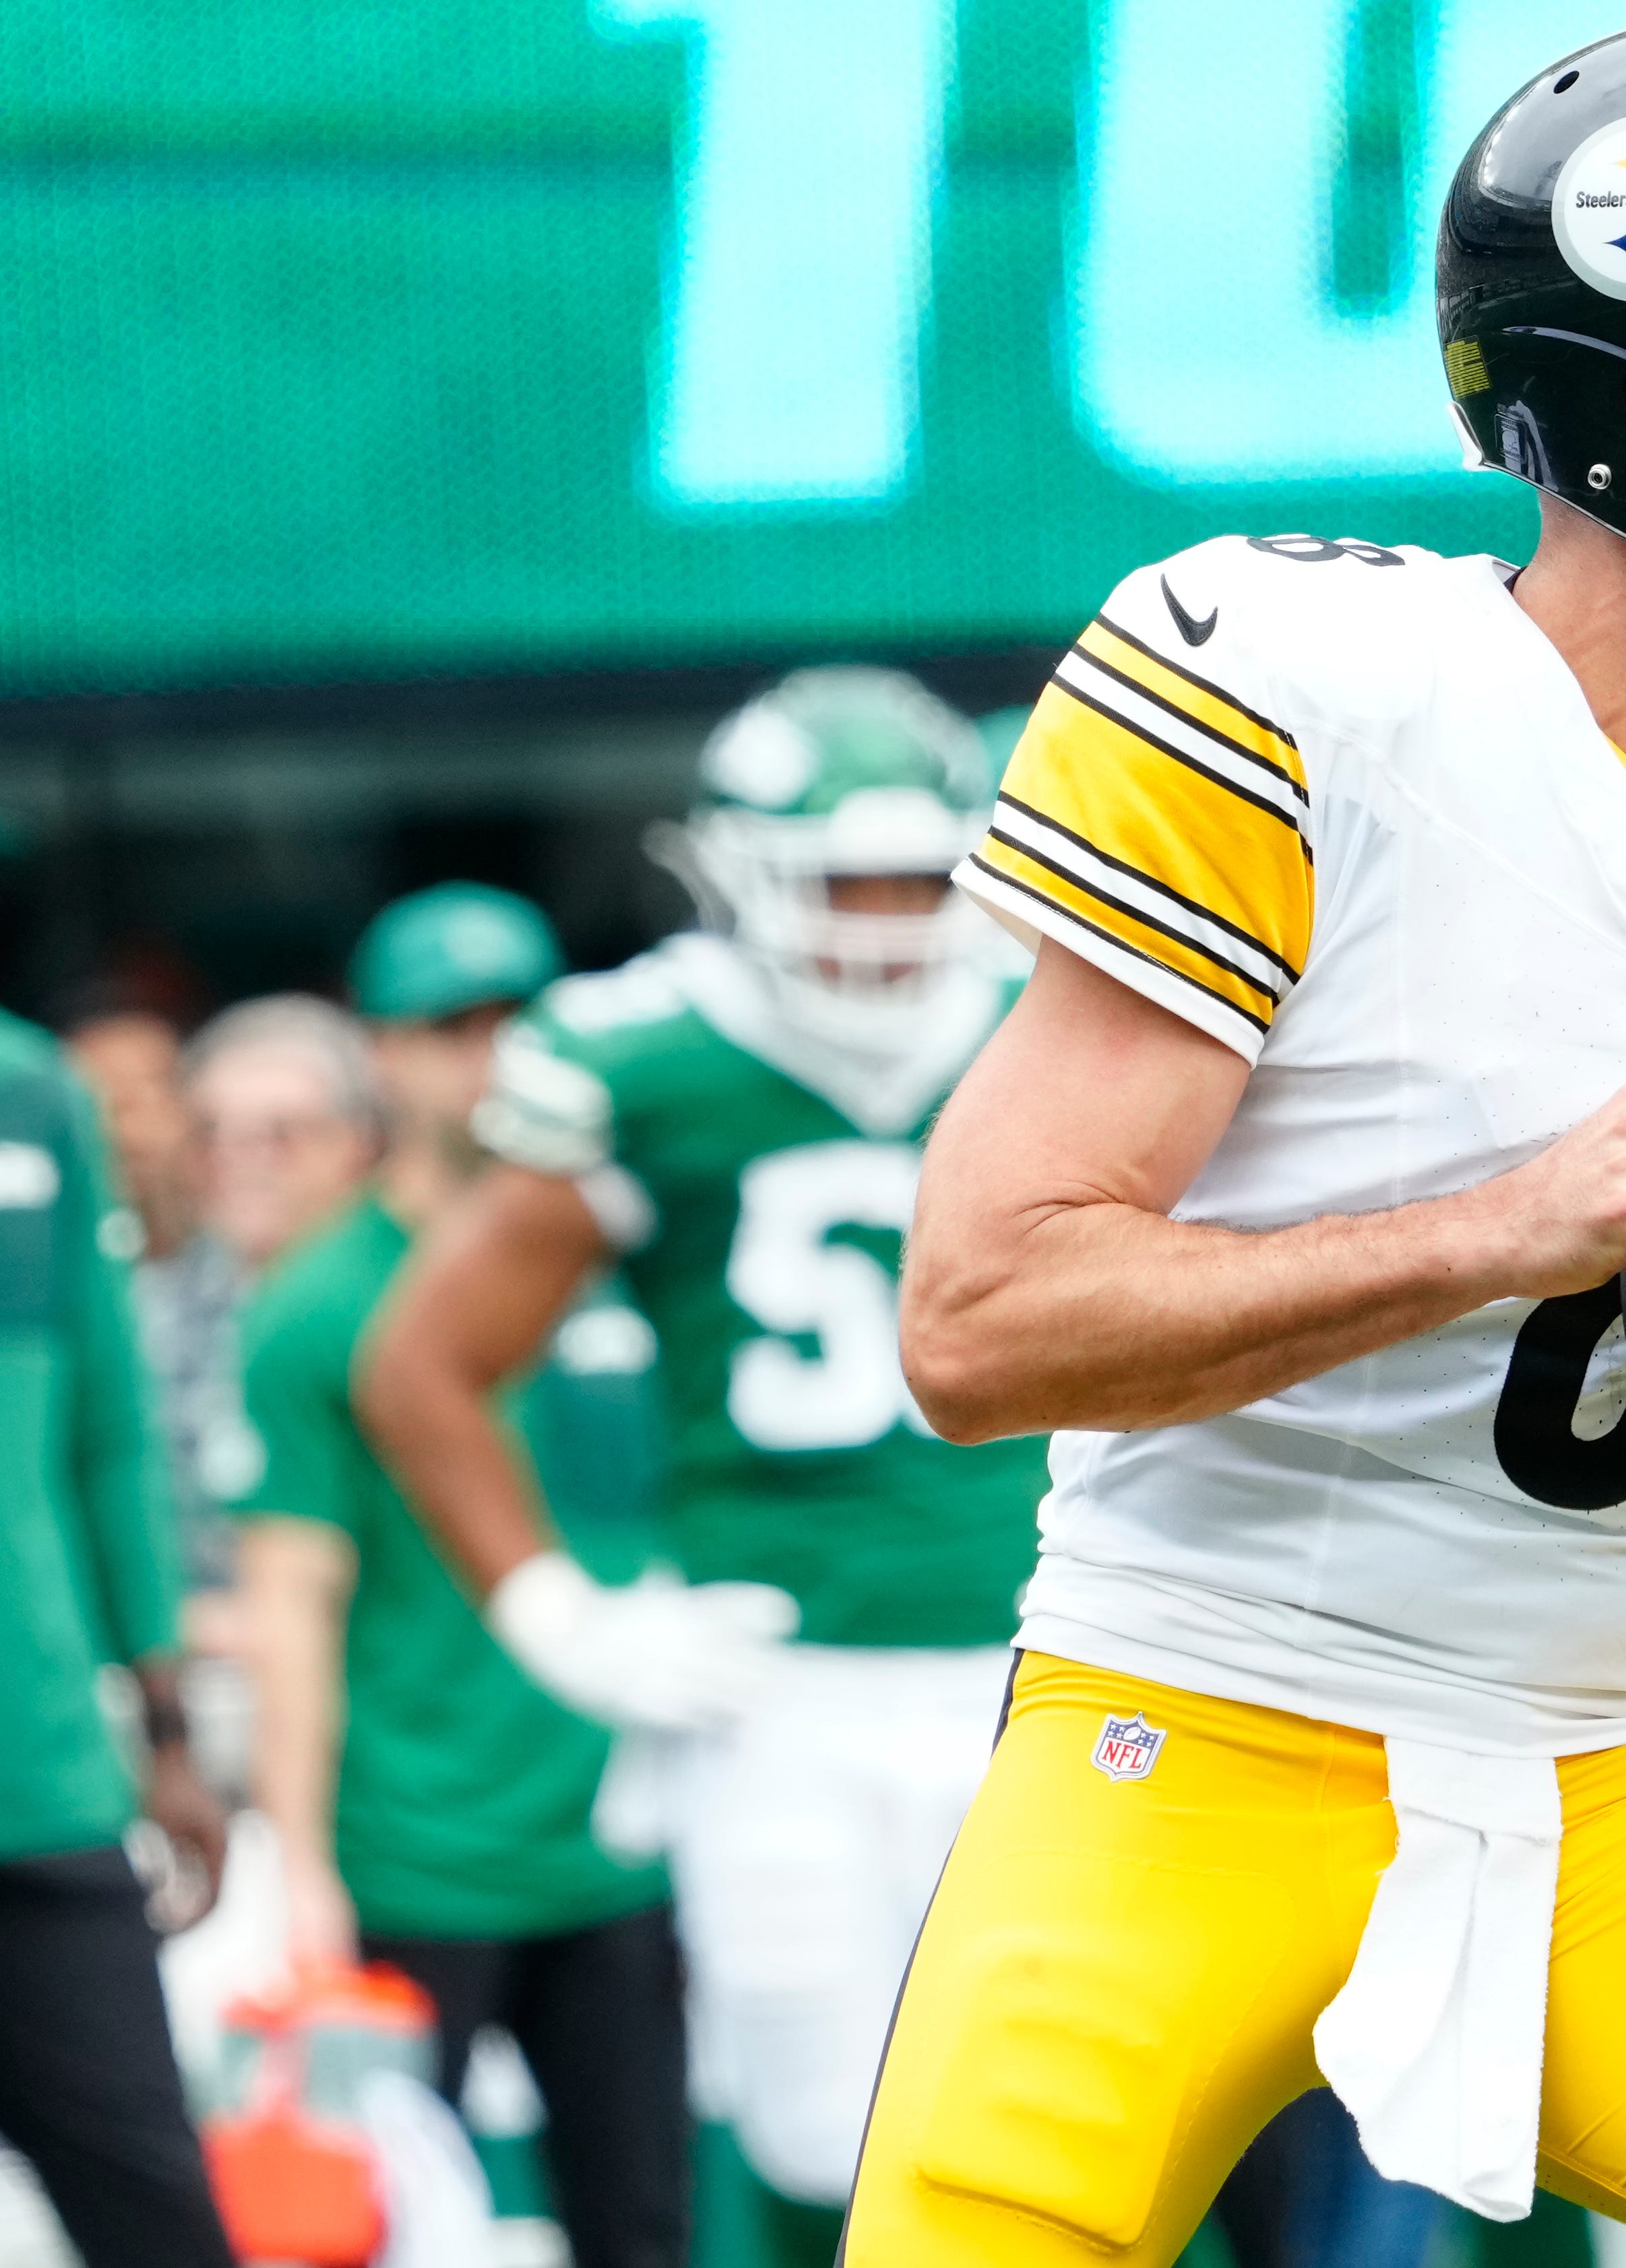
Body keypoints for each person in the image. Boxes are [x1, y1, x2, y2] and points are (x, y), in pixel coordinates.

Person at [836, 16, 1626, 2263]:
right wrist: (1517, 1222)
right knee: (980, 2232)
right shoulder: (1290, 690)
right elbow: (975, 1322)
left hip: (1613, 1748)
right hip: (1195, 1718)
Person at [358, 672, 1054, 2268]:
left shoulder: (1045, 1021)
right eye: (837, 886)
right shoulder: (644, 1055)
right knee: (817, 2127)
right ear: (735, 873)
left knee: (1023, 2113)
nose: (880, 927)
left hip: (1038, 1653)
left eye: (908, 880)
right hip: (777, 1675)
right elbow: (417, 1367)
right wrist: (561, 1619)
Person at [226, 885, 687, 2268]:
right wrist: (298, 1863)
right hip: (414, 1853)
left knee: (646, 2227)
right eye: (445, 1028)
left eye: (511, 1020)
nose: (483, 1057)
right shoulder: (314, 1301)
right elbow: (288, 1602)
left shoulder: (625, 1251)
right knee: (381, 2236)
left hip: (622, 1833)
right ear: (383, 1052)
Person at [0, 1005, 234, 2267]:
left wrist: (169, 1731)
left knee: (159, 2216)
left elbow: (110, 1436)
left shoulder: (31, 1087)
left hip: (37, 1778)